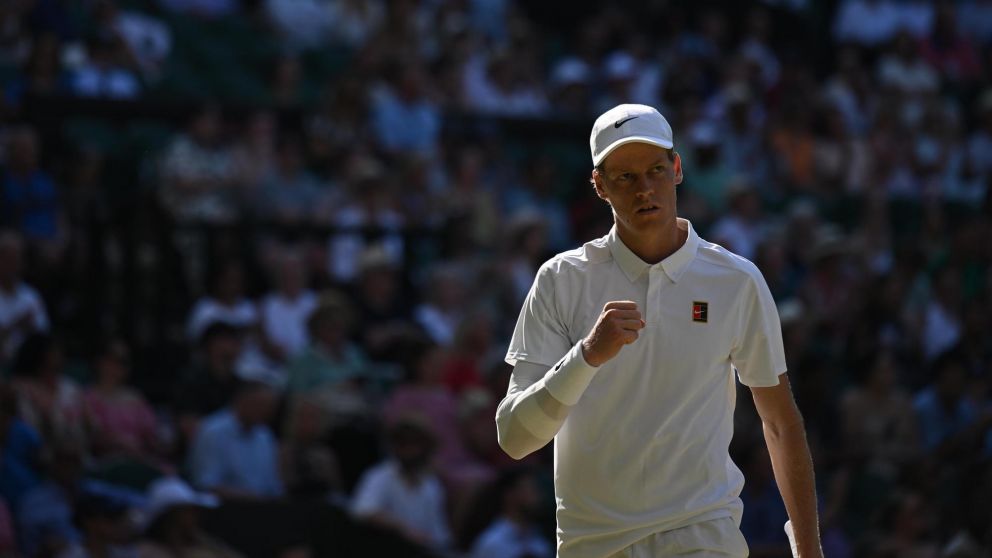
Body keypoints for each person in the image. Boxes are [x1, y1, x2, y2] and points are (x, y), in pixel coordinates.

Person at [496, 104, 823, 557]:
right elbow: (515, 438)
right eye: (625, 177)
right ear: (599, 186)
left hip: (703, 535)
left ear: (677, 170)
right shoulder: (560, 279)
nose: (645, 189)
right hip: (592, 544)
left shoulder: (737, 280)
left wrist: (809, 551)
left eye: (654, 170)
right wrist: (587, 355)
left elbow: (780, 424)